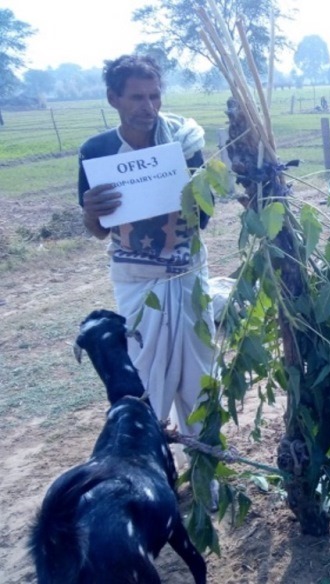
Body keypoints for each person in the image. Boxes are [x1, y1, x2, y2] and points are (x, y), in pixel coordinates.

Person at [78, 54, 215, 439]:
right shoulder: (97, 151)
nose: (149, 107)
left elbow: (203, 218)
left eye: (155, 96)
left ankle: (203, 456)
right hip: (136, 280)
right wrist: (92, 211)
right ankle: (154, 455)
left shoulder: (184, 143)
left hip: (187, 275)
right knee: (143, 369)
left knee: (199, 374)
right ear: (113, 99)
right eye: (137, 97)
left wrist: (193, 186)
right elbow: (99, 230)